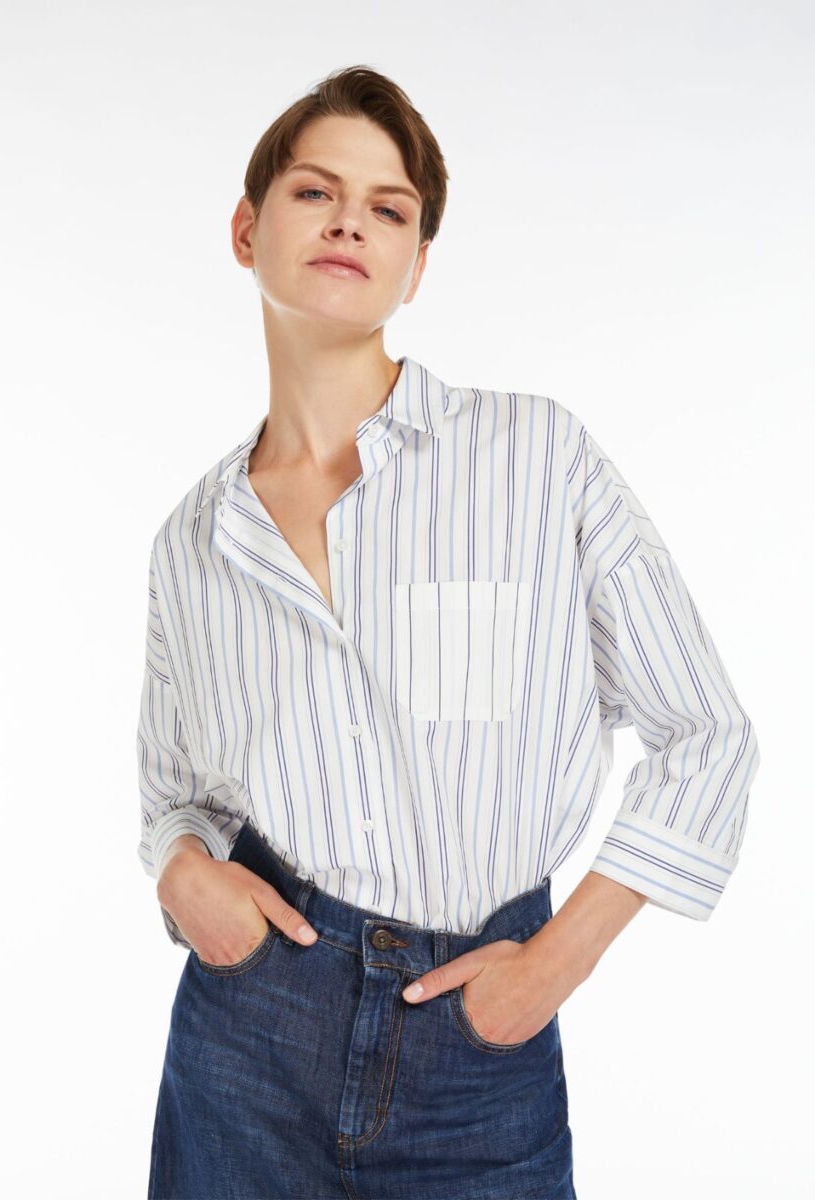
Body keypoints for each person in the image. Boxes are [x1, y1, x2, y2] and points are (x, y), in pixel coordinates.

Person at [136, 65, 760, 1200]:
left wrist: (552, 969)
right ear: (246, 229)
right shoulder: (195, 535)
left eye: (388, 209)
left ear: (416, 264)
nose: (349, 224)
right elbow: (177, 791)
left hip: (480, 1040)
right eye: (315, 191)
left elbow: (707, 735)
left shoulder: (537, 460)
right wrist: (181, 869)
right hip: (248, 1040)